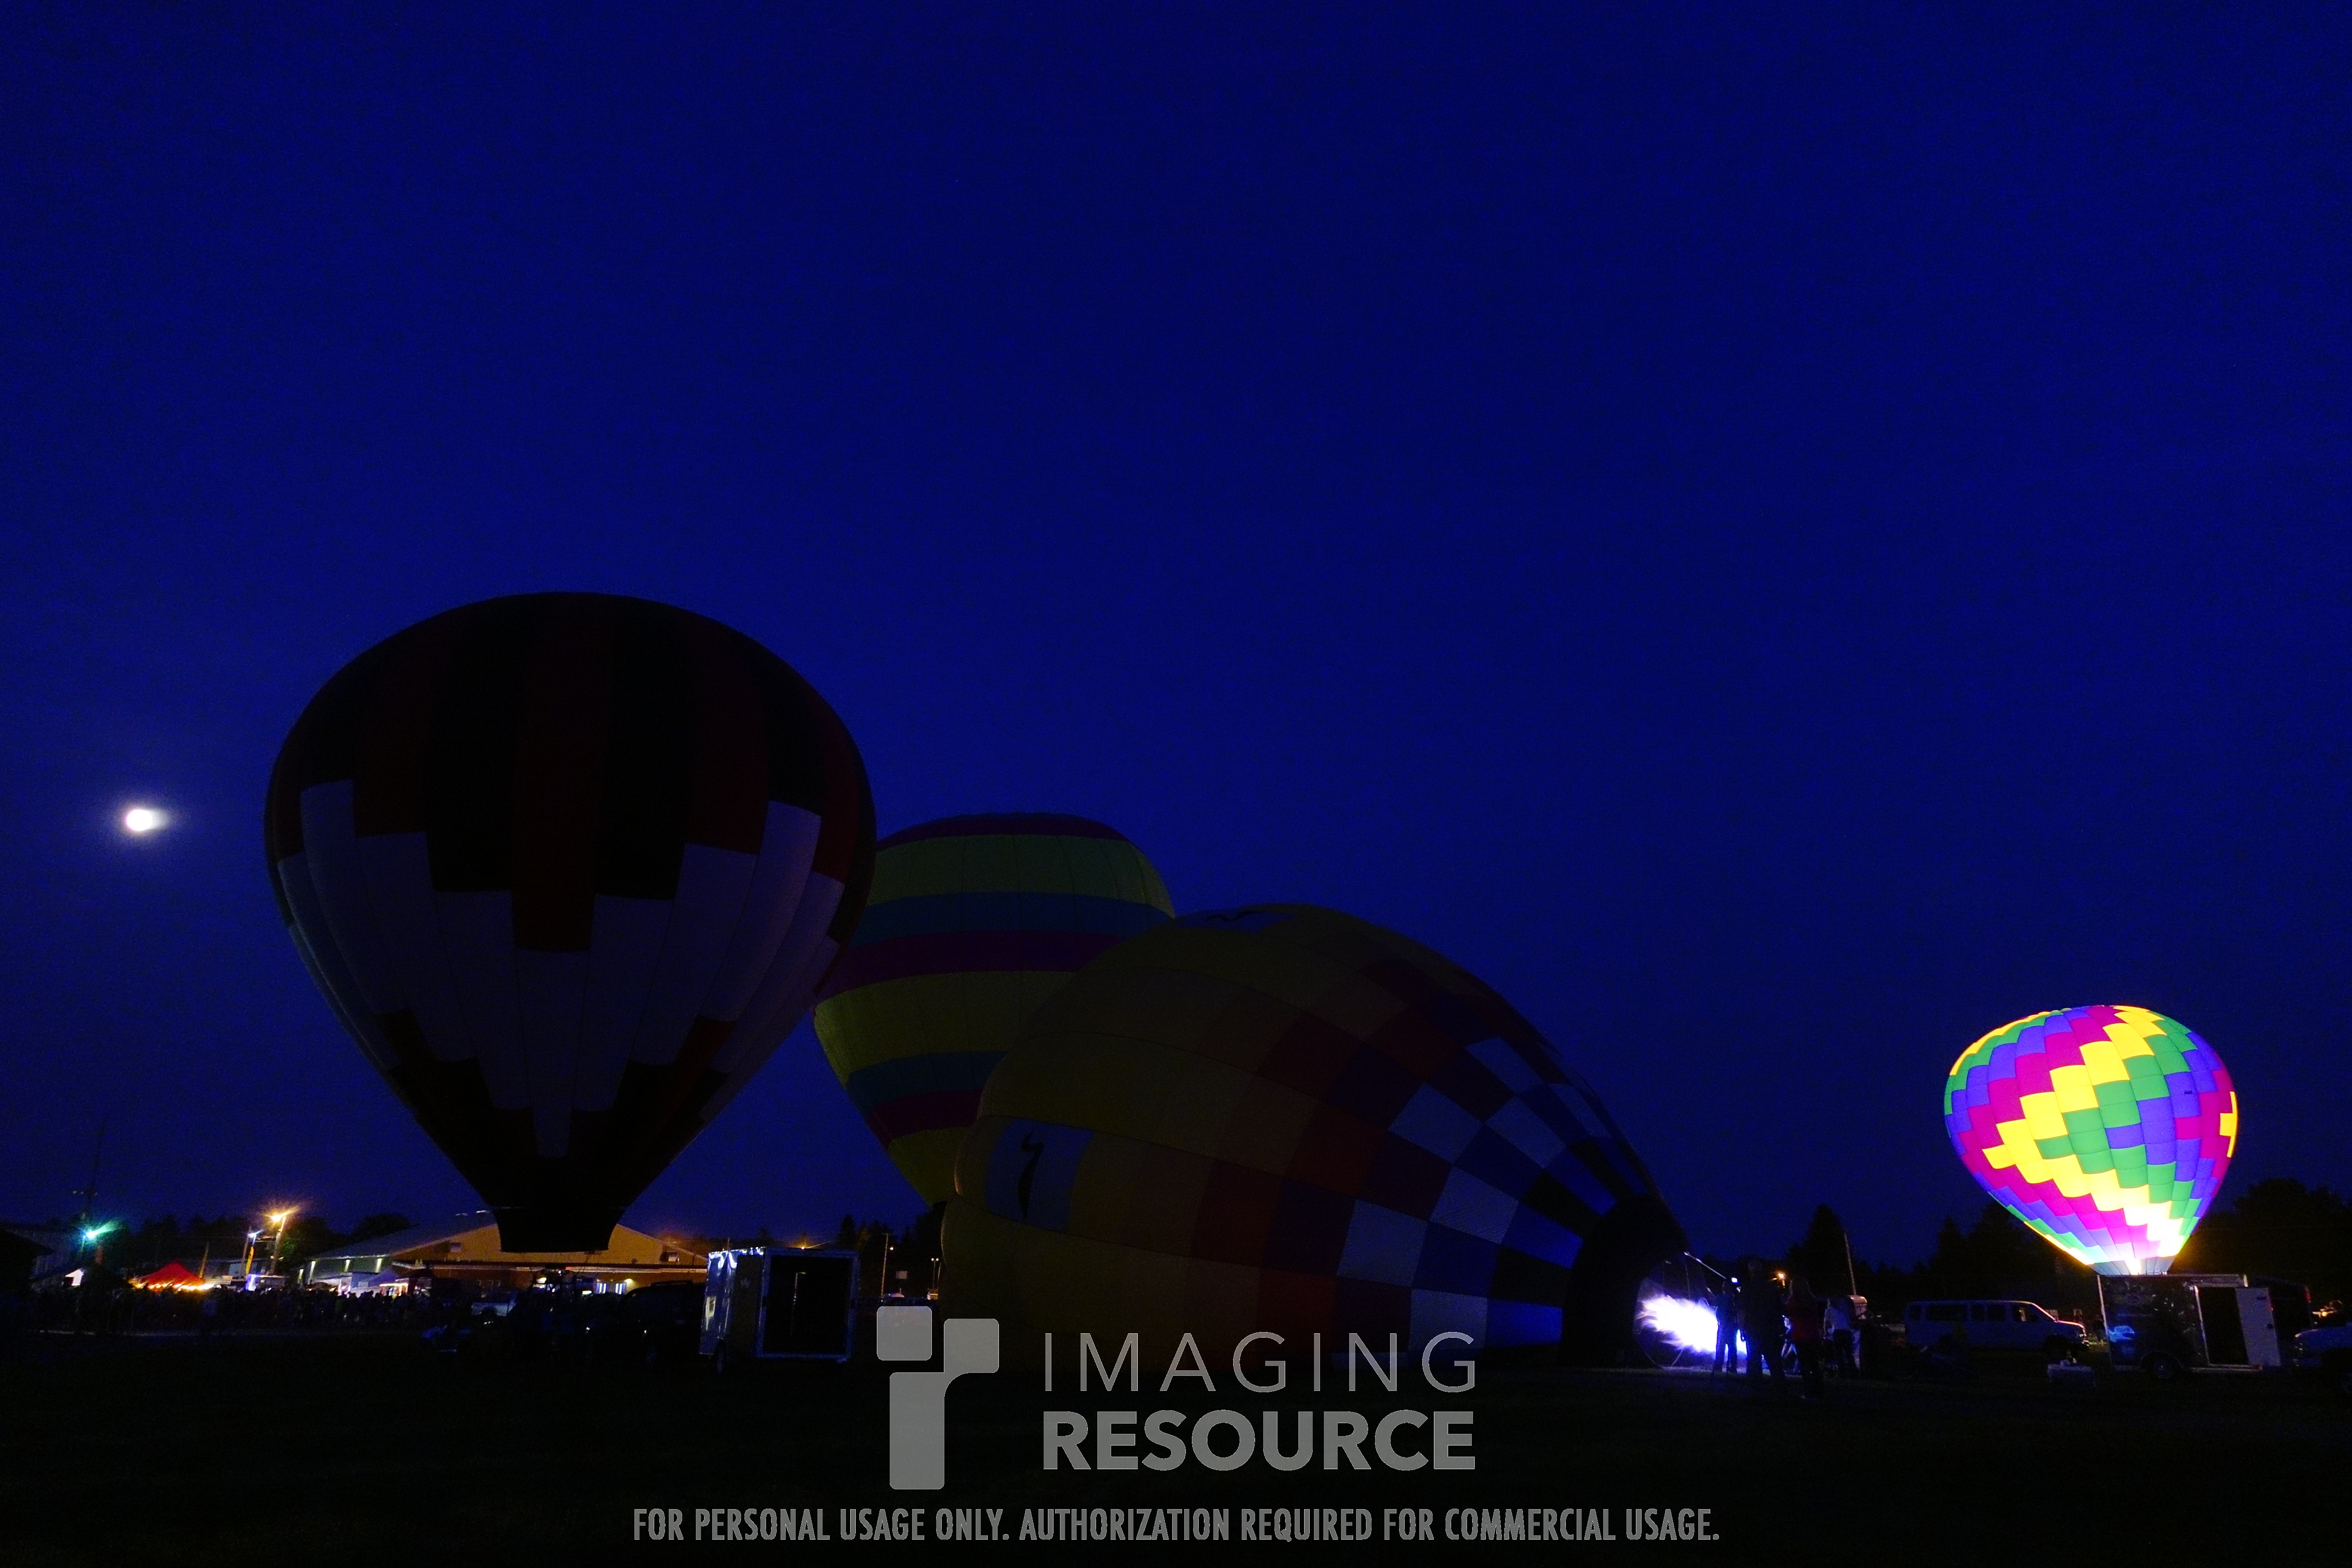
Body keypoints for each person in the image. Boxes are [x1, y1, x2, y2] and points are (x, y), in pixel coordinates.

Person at [1740, 1263, 1785, 1383]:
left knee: (1754, 1361)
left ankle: (1756, 1388)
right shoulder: (1771, 1288)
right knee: (1774, 1361)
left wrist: (1742, 1329)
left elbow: (1743, 1311)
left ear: (1751, 1272)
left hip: (1754, 1329)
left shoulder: (1747, 1288)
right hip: (1771, 1328)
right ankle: (1781, 1388)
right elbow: (1779, 1308)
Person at [1785, 1274, 1826, 1399]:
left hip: (1800, 1335)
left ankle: (1808, 1392)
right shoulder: (1811, 1299)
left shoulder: (1794, 1301)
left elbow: (1789, 1314)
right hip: (1813, 1334)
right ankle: (1820, 1391)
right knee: (1814, 1364)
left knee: (1804, 1365)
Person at [1712, 1275, 1743, 1379]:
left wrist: (1706, 1293)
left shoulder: (1724, 1298)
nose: (1723, 1287)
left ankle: (1721, 1366)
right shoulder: (1734, 1298)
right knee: (1731, 1347)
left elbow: (1712, 1303)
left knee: (1722, 1346)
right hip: (1730, 1326)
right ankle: (1731, 1367)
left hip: (1726, 1326)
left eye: (1725, 1285)